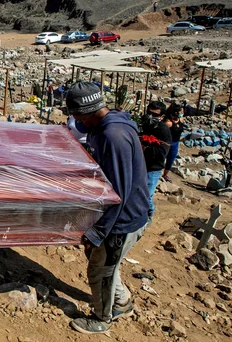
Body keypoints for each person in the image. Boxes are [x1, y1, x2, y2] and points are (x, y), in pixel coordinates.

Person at [65, 82, 149, 335]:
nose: (77, 121)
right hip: (123, 215)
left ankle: (103, 317)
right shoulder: (110, 126)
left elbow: (118, 193)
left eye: (78, 116)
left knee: (100, 271)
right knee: (105, 263)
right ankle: (121, 301)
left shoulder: (113, 136)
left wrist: (98, 231)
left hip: (121, 221)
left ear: (89, 112)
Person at [140, 101, 171, 220]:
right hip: (141, 164)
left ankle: (149, 215)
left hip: (153, 168)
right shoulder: (145, 125)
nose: (151, 116)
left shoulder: (163, 130)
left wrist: (145, 148)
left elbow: (162, 152)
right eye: (149, 113)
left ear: (162, 117)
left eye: (155, 115)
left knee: (147, 195)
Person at [162, 103, 186, 182]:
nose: (182, 113)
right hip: (167, 143)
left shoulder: (181, 120)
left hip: (175, 143)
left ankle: (165, 174)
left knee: (170, 160)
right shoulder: (168, 122)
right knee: (161, 158)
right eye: (181, 112)